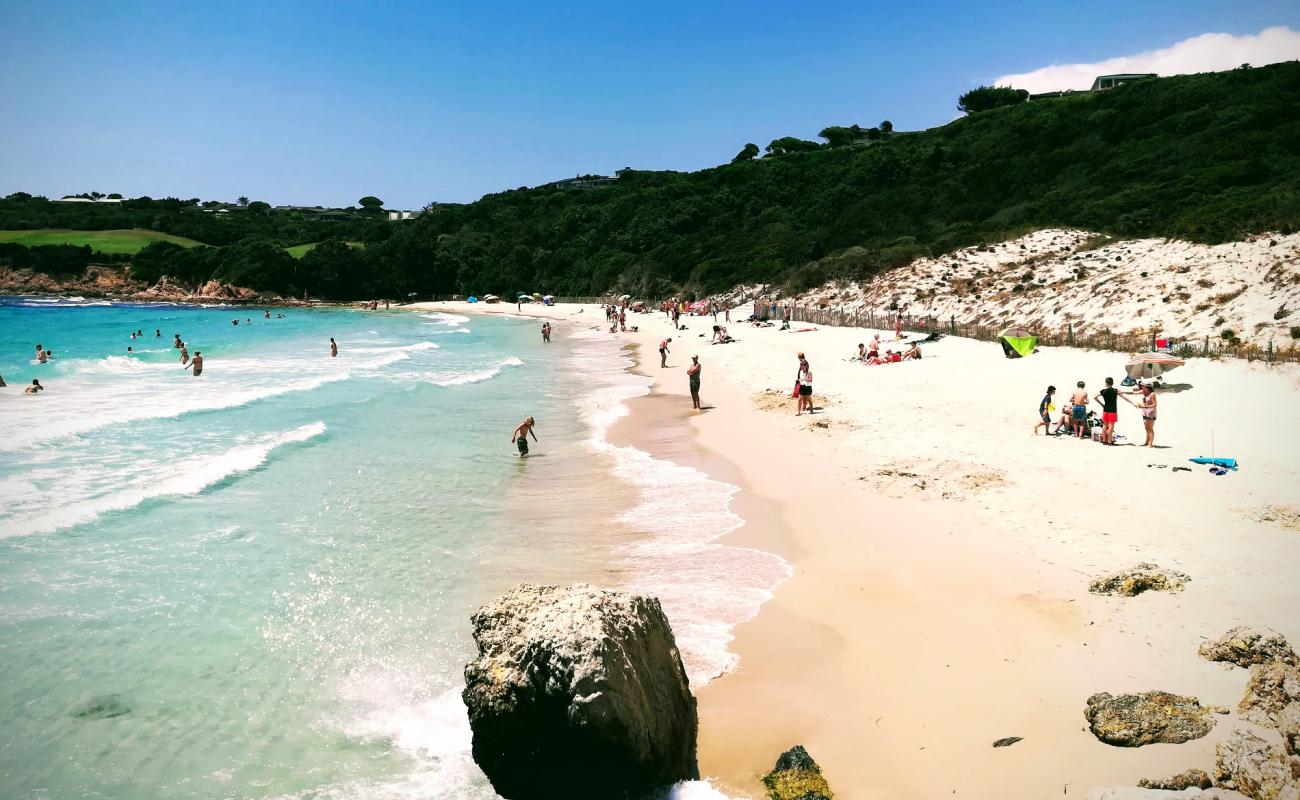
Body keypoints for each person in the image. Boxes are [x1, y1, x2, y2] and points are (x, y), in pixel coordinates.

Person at [1123, 383, 1158, 447]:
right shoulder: (1143, 392)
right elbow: (1133, 393)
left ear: (1148, 387)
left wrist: (1144, 406)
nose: (1142, 388)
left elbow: (1155, 405)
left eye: (1143, 387)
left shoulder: (1152, 394)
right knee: (1146, 428)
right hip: (1144, 412)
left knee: (1150, 428)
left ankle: (1150, 444)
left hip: (1151, 413)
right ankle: (1146, 442)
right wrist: (1123, 392)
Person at [1094, 377, 1120, 445]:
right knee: (1111, 425)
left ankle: (1104, 440)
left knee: (1105, 425)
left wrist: (1101, 404)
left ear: (1106, 383)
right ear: (1112, 383)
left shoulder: (1103, 391)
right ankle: (1109, 441)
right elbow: (1124, 396)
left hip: (1105, 409)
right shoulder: (1115, 390)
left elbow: (1095, 397)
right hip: (1113, 410)